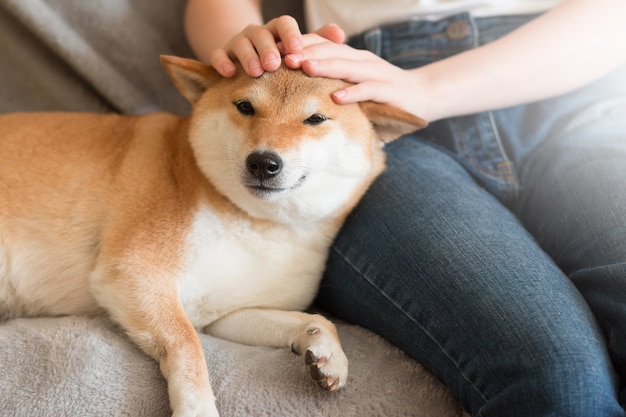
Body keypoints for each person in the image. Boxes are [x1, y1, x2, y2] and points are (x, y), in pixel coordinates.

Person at [184, 0, 626, 416]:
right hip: (371, 112)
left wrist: (427, 88)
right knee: (561, 383)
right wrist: (245, 53)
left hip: (575, 84)